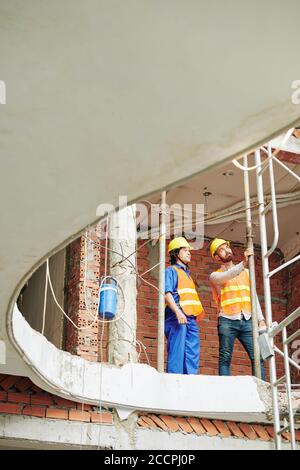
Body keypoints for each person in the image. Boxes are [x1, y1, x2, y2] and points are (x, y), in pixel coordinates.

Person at [209, 238, 266, 379]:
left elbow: (253, 296)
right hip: (227, 320)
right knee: (225, 357)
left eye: (227, 247)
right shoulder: (215, 276)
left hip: (247, 320)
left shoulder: (246, 272)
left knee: (258, 357)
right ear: (216, 257)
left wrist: (261, 319)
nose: (227, 250)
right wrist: (243, 263)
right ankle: (225, 391)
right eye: (222, 249)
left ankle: (263, 391)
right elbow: (228, 275)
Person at [164, 237, 205, 374]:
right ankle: (175, 380)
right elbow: (167, 293)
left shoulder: (187, 275)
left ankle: (190, 381)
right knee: (178, 350)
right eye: (185, 250)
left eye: (189, 250)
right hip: (177, 316)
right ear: (176, 253)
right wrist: (178, 312)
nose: (189, 253)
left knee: (192, 351)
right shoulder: (171, 271)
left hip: (190, 318)